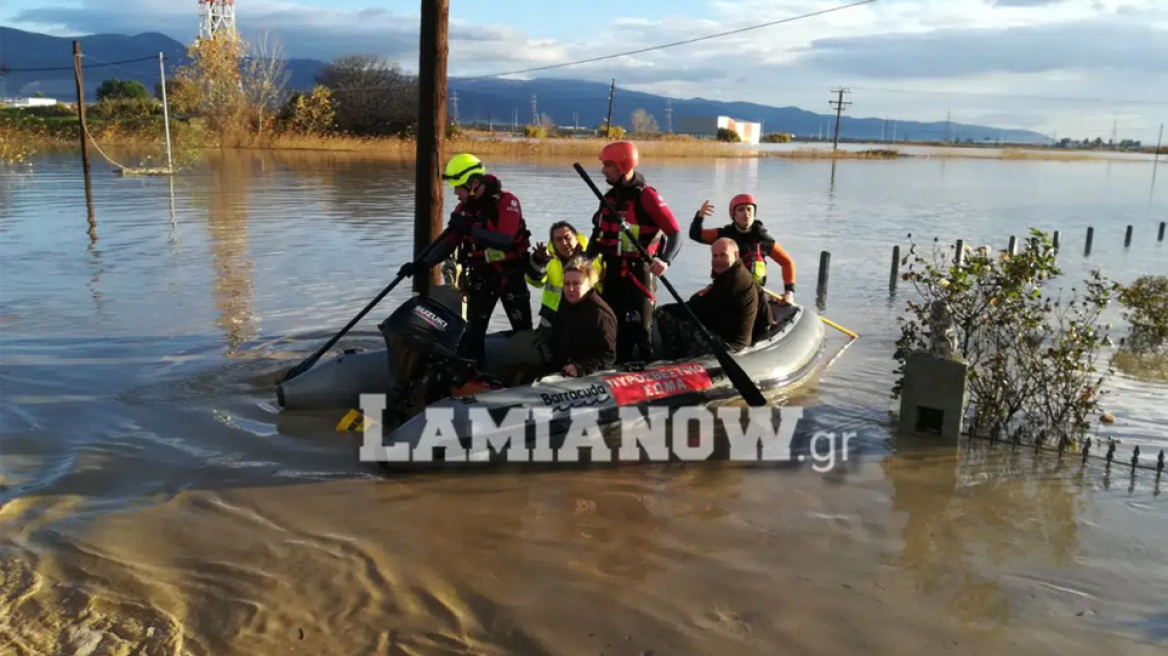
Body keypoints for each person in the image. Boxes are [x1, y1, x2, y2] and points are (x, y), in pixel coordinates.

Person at [398, 153, 532, 361]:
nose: (455, 192)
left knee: (523, 331)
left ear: (474, 184)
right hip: (482, 278)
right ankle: (473, 379)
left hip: (510, 276)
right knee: (473, 335)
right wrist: (421, 265)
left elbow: (504, 239)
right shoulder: (463, 210)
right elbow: (448, 243)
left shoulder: (507, 202)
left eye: (458, 186)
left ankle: (528, 376)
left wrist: (469, 228)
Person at [584, 141, 682, 363]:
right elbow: (598, 237)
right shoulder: (609, 198)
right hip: (613, 273)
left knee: (641, 329)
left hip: (640, 273)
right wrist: (584, 262)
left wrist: (665, 260)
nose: (602, 170)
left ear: (623, 165)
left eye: (608, 165)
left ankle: (647, 370)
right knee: (611, 324)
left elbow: (675, 233)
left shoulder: (647, 196)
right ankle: (612, 370)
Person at [504, 254, 617, 382]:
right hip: (560, 362)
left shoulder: (600, 315)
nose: (571, 289)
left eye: (576, 283)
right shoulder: (567, 303)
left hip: (582, 370)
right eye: (567, 284)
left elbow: (607, 355)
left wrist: (581, 367)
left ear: (590, 284)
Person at [658, 237, 770, 357]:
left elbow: (697, 311)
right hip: (737, 339)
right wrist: (766, 327)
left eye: (723, 255)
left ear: (736, 255)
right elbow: (763, 302)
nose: (718, 260)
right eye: (715, 256)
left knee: (663, 313)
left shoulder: (732, 282)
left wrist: (670, 308)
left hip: (729, 346)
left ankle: (672, 358)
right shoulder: (743, 273)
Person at [689, 193, 796, 305]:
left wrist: (789, 292)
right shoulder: (724, 234)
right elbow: (696, 235)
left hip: (753, 292)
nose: (746, 213)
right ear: (733, 214)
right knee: (695, 301)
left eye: (749, 209)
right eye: (741, 210)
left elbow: (787, 262)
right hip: (725, 289)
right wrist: (699, 217)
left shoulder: (762, 238)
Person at [524, 221, 602, 328]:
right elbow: (535, 283)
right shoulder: (547, 258)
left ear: (577, 238)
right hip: (551, 320)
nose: (564, 243)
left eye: (567, 237)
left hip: (585, 318)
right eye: (559, 240)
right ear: (553, 243)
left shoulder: (593, 256)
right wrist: (538, 262)